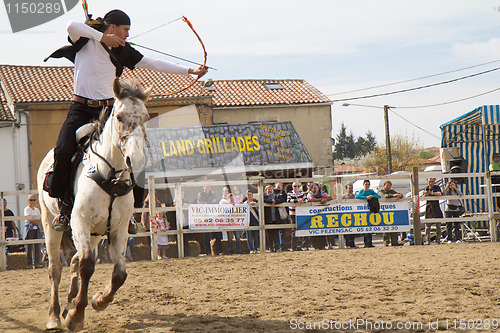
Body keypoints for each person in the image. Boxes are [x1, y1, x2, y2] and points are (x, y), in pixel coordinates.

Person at [47, 9, 208, 232]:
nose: (127, 35)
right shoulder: (85, 40)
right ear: (112, 27)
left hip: (111, 112)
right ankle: (65, 209)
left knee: (138, 154)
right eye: (125, 30)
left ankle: (131, 212)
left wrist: (190, 70)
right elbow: (71, 25)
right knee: (64, 150)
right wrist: (102, 37)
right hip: (80, 109)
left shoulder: (124, 51)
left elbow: (154, 63)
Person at [355, 180, 381, 248]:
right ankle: (366, 243)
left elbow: (378, 196)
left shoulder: (371, 191)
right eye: (366, 184)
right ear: (363, 185)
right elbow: (357, 197)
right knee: (365, 228)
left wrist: (372, 196)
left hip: (370, 211)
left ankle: (369, 242)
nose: (367, 185)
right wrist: (366, 197)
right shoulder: (362, 191)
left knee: (369, 227)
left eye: (368, 184)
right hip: (362, 212)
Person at [307, 183, 333, 250]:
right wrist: (321, 200)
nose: (316, 190)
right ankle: (316, 246)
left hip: (322, 213)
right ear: (311, 189)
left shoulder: (321, 193)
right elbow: (311, 199)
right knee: (314, 230)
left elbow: (330, 197)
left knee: (322, 230)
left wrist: (325, 200)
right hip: (313, 214)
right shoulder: (309, 194)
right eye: (314, 188)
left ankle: (322, 245)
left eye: (317, 188)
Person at [378, 180, 403, 247]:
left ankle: (395, 242)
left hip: (392, 211)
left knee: (394, 227)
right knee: (386, 227)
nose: (388, 186)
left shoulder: (392, 191)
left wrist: (400, 195)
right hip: (384, 211)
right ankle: (386, 242)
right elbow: (383, 196)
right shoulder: (381, 191)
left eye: (389, 185)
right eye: (387, 185)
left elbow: (400, 195)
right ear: (384, 186)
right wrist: (393, 196)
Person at [196, 185, 219, 255]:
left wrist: (208, 203)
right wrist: (210, 202)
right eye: (206, 187)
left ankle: (213, 251)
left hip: (211, 216)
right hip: (203, 216)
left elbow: (215, 201)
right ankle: (205, 251)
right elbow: (200, 203)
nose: (207, 188)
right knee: (204, 234)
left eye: (208, 187)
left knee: (211, 234)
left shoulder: (213, 194)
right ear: (203, 187)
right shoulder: (200, 194)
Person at [287, 182, 307, 251]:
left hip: (301, 213)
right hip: (293, 213)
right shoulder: (289, 193)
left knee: (302, 229)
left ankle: (301, 245)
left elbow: (306, 200)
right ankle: (293, 246)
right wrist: (298, 200)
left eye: (298, 186)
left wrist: (301, 200)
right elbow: (289, 200)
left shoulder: (302, 193)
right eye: (295, 186)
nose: (296, 187)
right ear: (292, 187)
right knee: (294, 230)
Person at [422, 177, 443, 244]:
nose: (431, 183)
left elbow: (440, 194)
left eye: (432, 181)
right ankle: (427, 240)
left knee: (438, 225)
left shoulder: (436, 187)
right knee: (427, 226)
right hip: (429, 207)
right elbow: (423, 196)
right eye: (429, 181)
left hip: (436, 207)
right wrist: (426, 193)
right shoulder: (426, 188)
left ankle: (438, 239)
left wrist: (431, 193)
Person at [24, 195, 43, 268]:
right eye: (31, 200)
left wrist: (34, 221)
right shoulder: (27, 209)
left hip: (36, 228)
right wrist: (35, 221)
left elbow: (39, 220)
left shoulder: (37, 209)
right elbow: (29, 219)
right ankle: (29, 263)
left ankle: (37, 263)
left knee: (37, 246)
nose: (33, 201)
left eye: (34, 200)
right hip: (30, 228)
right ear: (28, 201)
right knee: (30, 247)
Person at [264, 185, 283, 252]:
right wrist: (271, 201)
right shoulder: (264, 197)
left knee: (276, 234)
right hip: (268, 218)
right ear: (266, 191)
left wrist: (275, 201)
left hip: (276, 218)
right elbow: (264, 200)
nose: (269, 190)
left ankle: (277, 247)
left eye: (271, 189)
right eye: (268, 189)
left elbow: (281, 200)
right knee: (269, 234)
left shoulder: (276, 196)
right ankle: (271, 248)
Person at [274, 182, 289, 251]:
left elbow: (284, 200)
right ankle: (276, 246)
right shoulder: (272, 191)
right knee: (275, 230)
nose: (280, 186)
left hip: (282, 213)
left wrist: (277, 200)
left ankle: (282, 246)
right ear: (275, 184)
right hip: (274, 214)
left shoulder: (283, 192)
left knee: (283, 230)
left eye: (282, 185)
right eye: (279, 184)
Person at [341, 184, 357, 248]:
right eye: (349, 188)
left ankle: (352, 243)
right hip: (345, 214)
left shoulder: (354, 196)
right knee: (347, 230)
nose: (350, 189)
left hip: (352, 214)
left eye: (351, 188)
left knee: (353, 230)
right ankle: (347, 243)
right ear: (346, 189)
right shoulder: (343, 196)